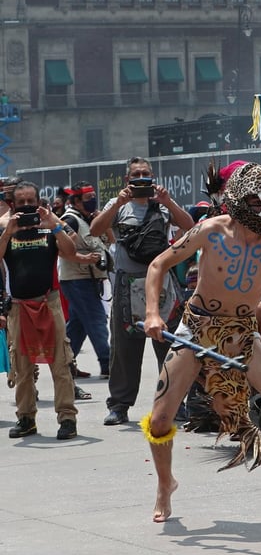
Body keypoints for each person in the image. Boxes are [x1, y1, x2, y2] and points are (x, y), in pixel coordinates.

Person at [142, 161, 261, 524]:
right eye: (256, 203)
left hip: (243, 333)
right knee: (160, 419)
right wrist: (153, 313)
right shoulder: (209, 230)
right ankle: (165, 485)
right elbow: (157, 266)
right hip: (197, 329)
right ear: (236, 201)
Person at [90, 156, 194, 426]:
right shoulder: (118, 206)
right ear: (127, 179)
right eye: (135, 174)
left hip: (162, 283)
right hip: (127, 285)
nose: (140, 178)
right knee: (124, 349)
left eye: (145, 173)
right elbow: (95, 229)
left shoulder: (161, 205)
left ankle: (175, 403)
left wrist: (168, 202)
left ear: (152, 176)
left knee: (169, 346)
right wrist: (119, 203)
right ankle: (119, 406)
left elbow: (190, 226)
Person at [0, 181, 80, 440]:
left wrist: (54, 225)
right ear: (13, 204)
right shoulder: (5, 227)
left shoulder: (50, 228)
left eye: (30, 201)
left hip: (49, 303)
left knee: (61, 363)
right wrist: (8, 231)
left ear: (38, 201)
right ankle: (26, 418)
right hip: (19, 307)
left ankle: (67, 418)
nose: (26, 207)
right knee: (22, 367)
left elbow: (71, 251)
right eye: (20, 202)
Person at [58, 181, 112, 379]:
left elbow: (111, 240)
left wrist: (102, 221)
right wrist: (83, 259)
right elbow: (62, 250)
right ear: (77, 201)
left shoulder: (90, 219)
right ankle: (107, 363)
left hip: (90, 279)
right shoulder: (70, 220)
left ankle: (65, 365)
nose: (94, 201)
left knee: (78, 325)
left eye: (94, 197)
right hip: (77, 280)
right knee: (97, 320)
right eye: (89, 199)